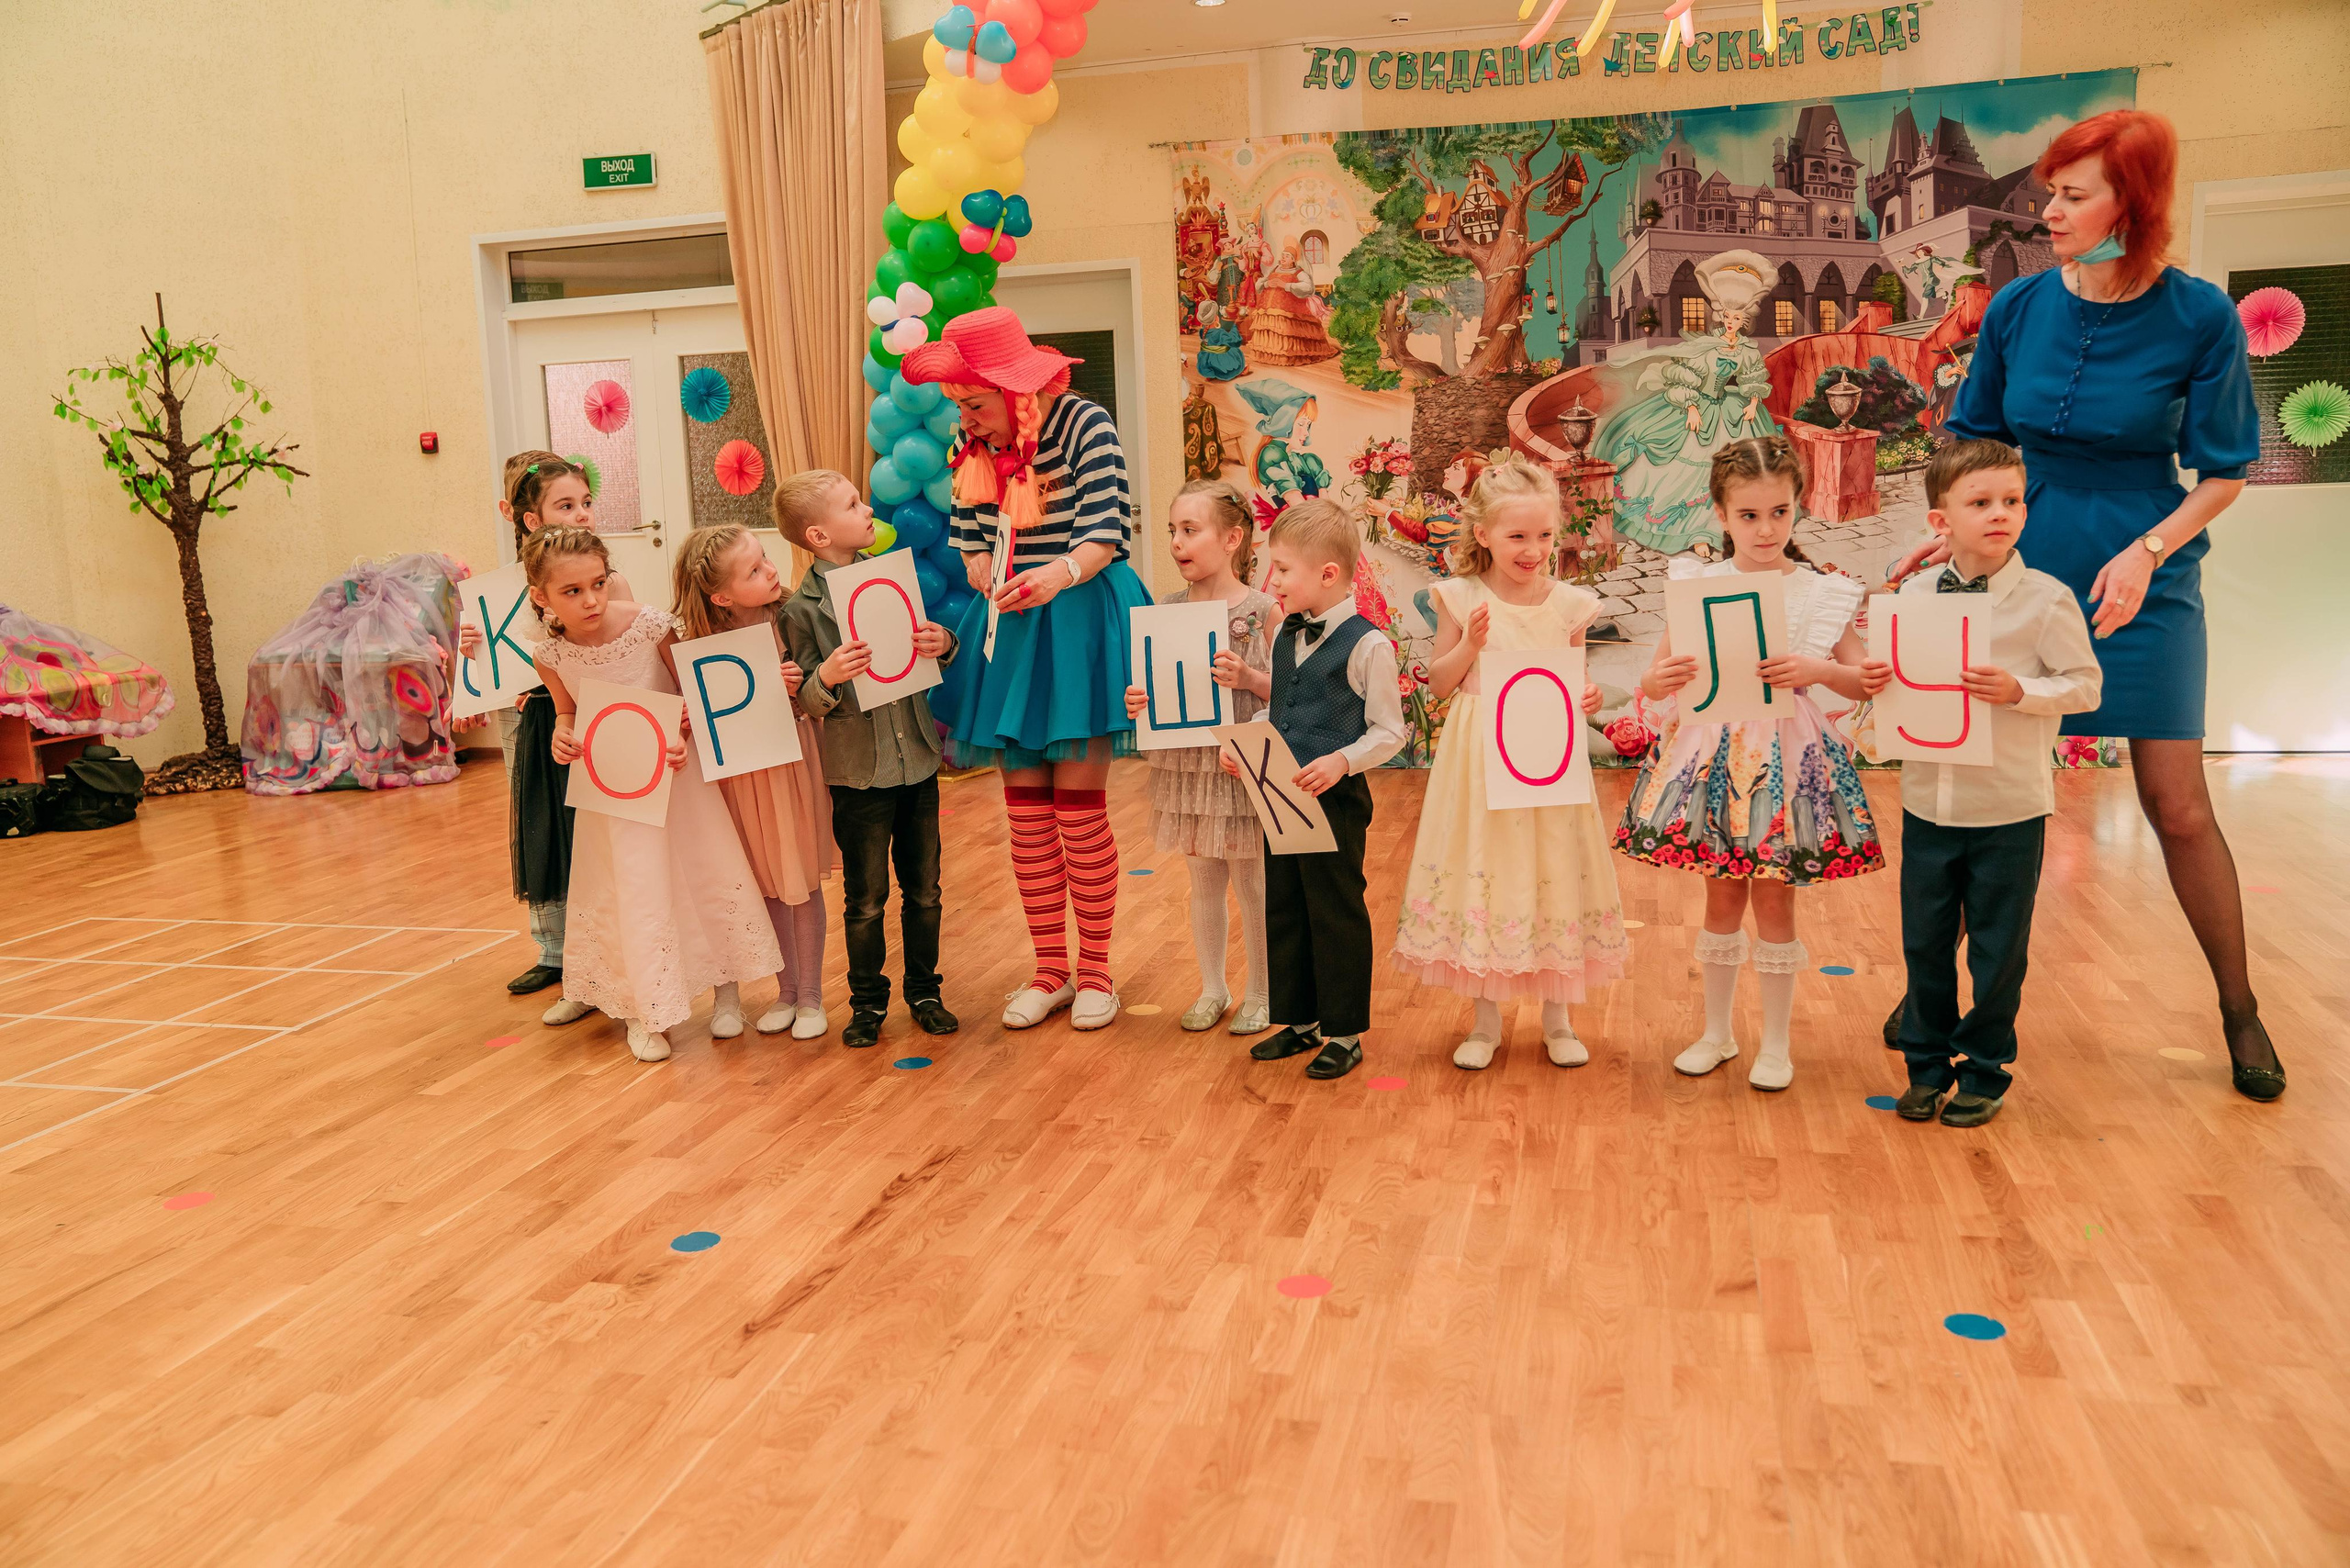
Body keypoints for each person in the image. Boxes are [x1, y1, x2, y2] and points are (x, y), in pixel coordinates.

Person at [1885, 109, 2277, 1099]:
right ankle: (1931, 1004)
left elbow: (2225, 470)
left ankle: (2240, 1008)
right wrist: (1951, 526)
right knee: (1971, 792)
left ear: (2128, 205)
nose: (2046, 208)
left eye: (2071, 193)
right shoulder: (2017, 309)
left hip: (2142, 567)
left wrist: (2148, 552)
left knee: (2175, 804)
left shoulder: (2198, 316)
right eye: (2049, 191)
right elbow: (1974, 437)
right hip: (2017, 563)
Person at [901, 307, 1155, 1033]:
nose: (966, 419)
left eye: (974, 404)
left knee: (1080, 814)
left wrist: (1054, 575)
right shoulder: (971, 435)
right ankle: (1050, 970)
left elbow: (1106, 530)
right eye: (960, 406)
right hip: (1011, 627)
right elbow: (971, 536)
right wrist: (980, 569)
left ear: (1015, 392)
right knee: (1027, 819)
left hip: (1078, 620)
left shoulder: (1084, 424)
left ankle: (1098, 972)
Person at [1617, 436, 1883, 1091]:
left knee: (1775, 901)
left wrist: (1817, 669)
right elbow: (1651, 682)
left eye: (1780, 513)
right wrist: (1662, 679)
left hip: (1789, 758)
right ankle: (1715, 1032)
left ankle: (1777, 1044)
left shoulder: (1822, 592)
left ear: (1797, 511)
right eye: (1749, 516)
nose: (1766, 529)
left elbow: (1862, 680)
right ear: (1720, 513)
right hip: (1711, 755)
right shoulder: (1698, 584)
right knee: (1721, 893)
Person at [1861, 439, 2101, 1127]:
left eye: (2012, 501)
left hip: (2009, 806)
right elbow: (1897, 680)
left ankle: (1986, 1072)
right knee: (1926, 945)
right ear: (1941, 522)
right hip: (1929, 803)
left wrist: (2019, 689)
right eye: (1981, 503)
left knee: (1998, 950)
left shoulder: (2045, 600)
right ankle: (1926, 1068)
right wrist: (1880, 679)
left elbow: (2086, 687)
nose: (2001, 514)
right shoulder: (1912, 595)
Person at [1394, 455, 1628, 1070]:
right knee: (1485, 867)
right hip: (1479, 757)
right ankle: (1485, 1019)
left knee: (1551, 866)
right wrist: (1470, 643)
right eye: (1518, 536)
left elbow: (1577, 683)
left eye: (1544, 536)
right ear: (1484, 535)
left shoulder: (1570, 605)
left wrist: (1591, 696)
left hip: (1547, 757)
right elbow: (1438, 684)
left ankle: (1558, 1017)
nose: (1533, 549)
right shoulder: (1459, 597)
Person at [522, 526, 780, 1062]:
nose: (591, 599)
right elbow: (567, 710)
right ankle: (646, 1009)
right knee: (633, 889)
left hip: (676, 778)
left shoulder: (649, 627)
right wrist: (561, 735)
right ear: (541, 597)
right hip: (613, 794)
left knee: (703, 872)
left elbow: (692, 691)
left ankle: (726, 990)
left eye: (597, 583)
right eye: (572, 592)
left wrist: (685, 732)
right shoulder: (550, 655)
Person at [775, 470, 962, 1052]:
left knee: (925, 889)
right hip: (858, 772)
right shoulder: (801, 609)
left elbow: (928, 651)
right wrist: (826, 677)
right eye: (852, 505)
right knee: (866, 897)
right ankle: (867, 1002)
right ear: (818, 535)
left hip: (917, 760)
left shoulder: (891, 582)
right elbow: (804, 697)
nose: (866, 510)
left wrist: (943, 643)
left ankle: (925, 993)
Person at [1222, 498, 1407, 1082]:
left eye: (1280, 569)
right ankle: (1298, 1019)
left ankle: (1344, 1031)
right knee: (1288, 905)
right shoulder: (1284, 636)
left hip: (1336, 800)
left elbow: (1389, 732)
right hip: (1280, 794)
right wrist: (1247, 743)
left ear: (1328, 575)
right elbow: (1281, 710)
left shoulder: (1368, 645)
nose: (1270, 580)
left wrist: (1340, 761)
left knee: (1335, 910)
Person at [457, 453, 632, 1018]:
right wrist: (472, 650)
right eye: (565, 505)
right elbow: (499, 660)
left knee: (593, 829)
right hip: (530, 714)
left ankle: (608, 956)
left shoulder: (604, 579)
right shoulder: (511, 590)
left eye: (585, 503)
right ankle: (555, 952)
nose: (581, 515)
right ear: (530, 519)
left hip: (592, 714)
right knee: (541, 821)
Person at [670, 523, 839, 1041]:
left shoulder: (791, 620)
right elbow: (696, 713)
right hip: (737, 778)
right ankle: (786, 991)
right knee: (763, 882)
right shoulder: (697, 644)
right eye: (754, 569)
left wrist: (797, 686)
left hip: (789, 769)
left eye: (765, 559)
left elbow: (819, 693)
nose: (770, 570)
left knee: (799, 879)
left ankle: (810, 996)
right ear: (721, 596)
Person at [1122, 479, 1278, 1036]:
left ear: (1232, 538)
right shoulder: (1166, 609)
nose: (1176, 543)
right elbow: (1156, 685)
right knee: (1202, 878)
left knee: (1251, 879)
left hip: (1239, 764)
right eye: (1172, 531)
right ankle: (1213, 987)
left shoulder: (1261, 610)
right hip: (1188, 765)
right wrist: (1139, 700)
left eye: (1190, 530)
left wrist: (1249, 676)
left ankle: (1262, 991)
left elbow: (1283, 690)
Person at [1595, 249, 1779, 557]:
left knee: (1738, 468)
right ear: (1721, 316)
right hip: (1698, 407)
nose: (1732, 323)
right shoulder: (1704, 347)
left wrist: (1752, 401)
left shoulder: (1747, 351)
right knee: (1684, 466)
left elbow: (1752, 378)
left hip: (1728, 409)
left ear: (1745, 321)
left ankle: (1729, 527)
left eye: (1738, 318)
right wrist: (1692, 408)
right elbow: (1683, 378)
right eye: (1728, 317)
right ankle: (1694, 533)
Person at [1238, 378, 1329, 504]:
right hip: (1301, 520)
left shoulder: (1299, 459)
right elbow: (1297, 505)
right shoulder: (1272, 455)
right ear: (1284, 424)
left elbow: (1325, 500)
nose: (1306, 433)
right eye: (1301, 424)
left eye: (1308, 426)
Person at [1248, 244, 1338, 366]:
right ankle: (1269, 354)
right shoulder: (1275, 269)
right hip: (1268, 308)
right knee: (1270, 330)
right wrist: (1268, 283)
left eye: (1287, 256)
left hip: (1288, 309)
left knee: (1285, 331)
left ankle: (1286, 356)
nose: (1283, 258)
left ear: (1293, 260)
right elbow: (1260, 283)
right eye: (1283, 255)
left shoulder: (1298, 272)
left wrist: (1286, 285)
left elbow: (1308, 287)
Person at [1193, 299, 1247, 383]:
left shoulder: (1203, 331)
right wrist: (1234, 326)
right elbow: (1235, 341)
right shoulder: (1219, 332)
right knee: (1235, 350)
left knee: (1216, 350)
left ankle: (1211, 373)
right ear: (1215, 318)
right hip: (1220, 363)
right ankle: (1237, 371)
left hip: (1206, 361)